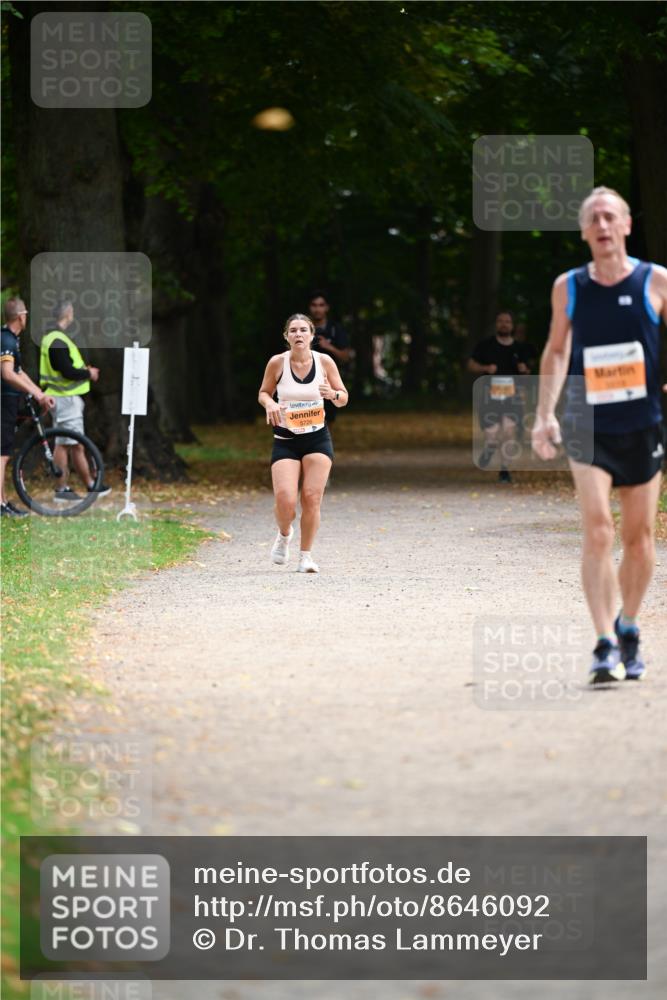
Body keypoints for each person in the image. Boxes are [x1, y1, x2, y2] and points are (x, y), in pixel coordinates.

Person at [532, 186, 667, 684]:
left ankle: (628, 625)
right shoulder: (568, 286)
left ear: (627, 225)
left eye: (611, 216)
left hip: (643, 422)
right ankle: (604, 643)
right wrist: (545, 414)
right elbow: (556, 351)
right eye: (594, 219)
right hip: (587, 421)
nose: (603, 225)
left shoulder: (656, 281)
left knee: (639, 539)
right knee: (598, 530)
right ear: (585, 232)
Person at [258, 313, 349, 573]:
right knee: (285, 500)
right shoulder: (277, 363)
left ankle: (305, 556)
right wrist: (271, 402)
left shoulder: (325, 362)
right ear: (287, 336)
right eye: (293, 330)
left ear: (312, 335)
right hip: (286, 440)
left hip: (317, 438)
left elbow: (343, 397)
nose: (298, 334)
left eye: (303, 330)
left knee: (311, 497)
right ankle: (285, 533)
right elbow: (263, 393)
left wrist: (332, 394)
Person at [39, 300, 111, 501]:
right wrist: (88, 373)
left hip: (63, 398)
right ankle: (77, 487)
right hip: (65, 399)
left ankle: (81, 486)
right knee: (69, 444)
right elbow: (67, 370)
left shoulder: (54, 338)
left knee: (70, 443)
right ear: (68, 314)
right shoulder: (57, 340)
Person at [1, 297, 55, 517]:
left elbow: (19, 372)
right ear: (21, 317)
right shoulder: (6, 340)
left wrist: (39, 393)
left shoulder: (12, 340)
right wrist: (36, 393)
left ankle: (3, 501)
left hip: (10, 401)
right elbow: (7, 374)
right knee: (1, 454)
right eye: (26, 315)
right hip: (4, 400)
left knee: (4, 452)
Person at [468, 310, 533, 482]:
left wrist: (524, 370)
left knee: (509, 433)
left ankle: (504, 470)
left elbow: (528, 374)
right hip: (489, 397)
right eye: (500, 321)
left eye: (507, 322)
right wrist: (485, 369)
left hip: (512, 397)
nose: (504, 324)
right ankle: (489, 449)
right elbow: (471, 364)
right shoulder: (485, 345)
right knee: (492, 436)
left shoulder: (520, 348)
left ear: (512, 326)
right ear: (496, 324)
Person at [308, 291, 350, 426]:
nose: (317, 309)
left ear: (327, 307)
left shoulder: (335, 329)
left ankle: (323, 446)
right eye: (314, 305)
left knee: (327, 420)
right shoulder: (301, 329)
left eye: (321, 305)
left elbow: (345, 356)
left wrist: (328, 347)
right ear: (310, 307)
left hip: (328, 382)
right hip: (305, 381)